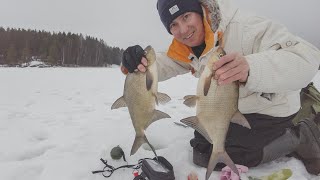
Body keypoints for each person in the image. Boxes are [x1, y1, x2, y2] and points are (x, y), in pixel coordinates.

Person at [121, 0, 320, 175]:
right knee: (202, 151)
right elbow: (166, 63)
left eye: (186, 16)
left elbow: (308, 58)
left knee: (240, 153)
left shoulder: (248, 27)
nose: (183, 29)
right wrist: (139, 63)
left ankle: (301, 136)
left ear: (200, 8)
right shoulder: (190, 47)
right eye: (173, 24)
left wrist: (251, 67)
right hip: (230, 108)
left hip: (271, 108)